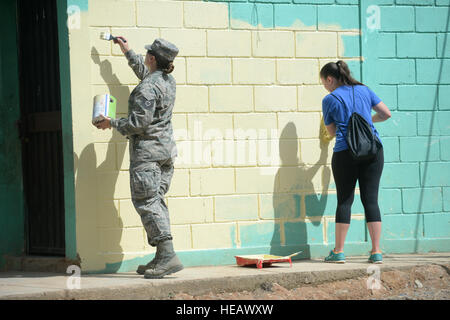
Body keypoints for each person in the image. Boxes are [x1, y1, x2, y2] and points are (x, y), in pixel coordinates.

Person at [94, 37, 183, 278]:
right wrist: (127, 51)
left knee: (148, 203)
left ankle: (167, 255)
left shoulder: (147, 87)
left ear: (153, 58)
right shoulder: (167, 80)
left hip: (148, 156)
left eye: (147, 54)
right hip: (164, 154)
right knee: (156, 202)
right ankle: (162, 256)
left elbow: (137, 124)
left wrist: (110, 123)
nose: (146, 57)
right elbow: (147, 74)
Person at [320, 60, 391, 264]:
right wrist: (369, 120)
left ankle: (339, 251)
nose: (325, 86)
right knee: (371, 200)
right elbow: (386, 113)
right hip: (373, 150)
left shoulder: (330, 99)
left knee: (344, 200)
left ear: (330, 79)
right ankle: (376, 251)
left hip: (345, 153)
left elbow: (332, 132)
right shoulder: (364, 90)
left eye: (324, 82)